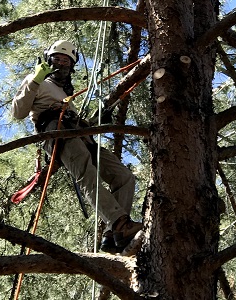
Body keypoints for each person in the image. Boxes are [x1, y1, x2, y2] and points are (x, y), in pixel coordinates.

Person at [11, 40, 142, 252]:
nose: (61, 64)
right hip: (56, 131)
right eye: (57, 59)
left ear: (71, 66)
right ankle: (120, 223)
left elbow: (77, 121)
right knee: (86, 174)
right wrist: (36, 78)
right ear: (47, 60)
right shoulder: (36, 82)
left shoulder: (65, 93)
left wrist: (96, 119)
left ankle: (113, 234)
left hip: (79, 133)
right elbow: (18, 112)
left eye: (66, 61)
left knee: (124, 176)